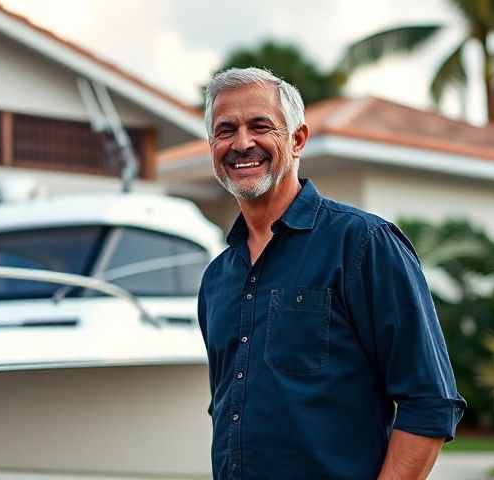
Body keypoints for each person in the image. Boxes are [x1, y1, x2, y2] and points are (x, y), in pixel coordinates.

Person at [197, 67, 466, 479]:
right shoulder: (217, 278)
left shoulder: (363, 244)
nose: (242, 143)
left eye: (260, 126)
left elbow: (429, 402)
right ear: (212, 144)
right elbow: (227, 409)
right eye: (226, 130)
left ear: (298, 139)